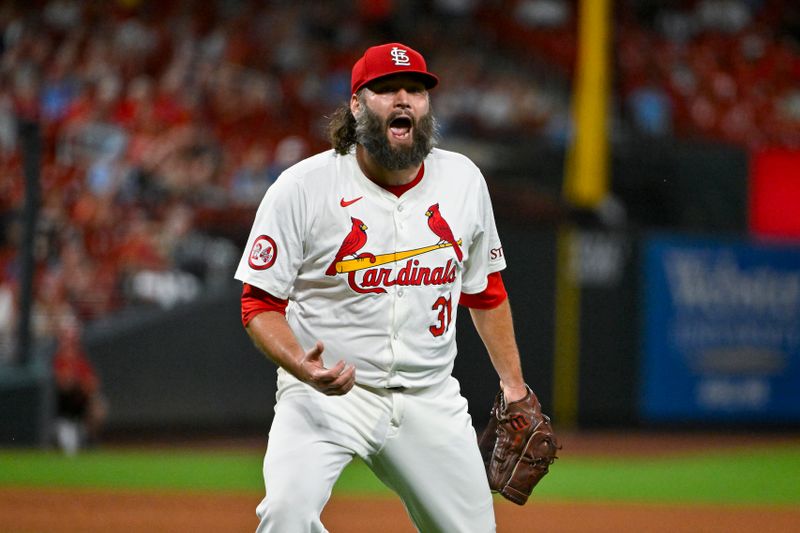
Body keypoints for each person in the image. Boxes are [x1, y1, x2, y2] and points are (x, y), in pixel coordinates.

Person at [235, 42, 531, 533]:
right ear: (355, 105)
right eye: (386, 89)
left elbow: (485, 291)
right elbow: (259, 302)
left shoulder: (463, 180)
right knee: (286, 514)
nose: (403, 99)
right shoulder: (302, 187)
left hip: (428, 397)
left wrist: (514, 386)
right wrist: (300, 366)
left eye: (415, 90)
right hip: (325, 396)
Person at [51, 324, 107, 455]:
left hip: (81, 402)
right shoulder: (57, 360)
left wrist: (82, 384)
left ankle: (90, 440)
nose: (70, 345)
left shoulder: (80, 361)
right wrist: (78, 382)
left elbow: (93, 383)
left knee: (99, 406)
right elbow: (64, 384)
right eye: (67, 340)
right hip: (62, 406)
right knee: (69, 448)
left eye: (73, 341)